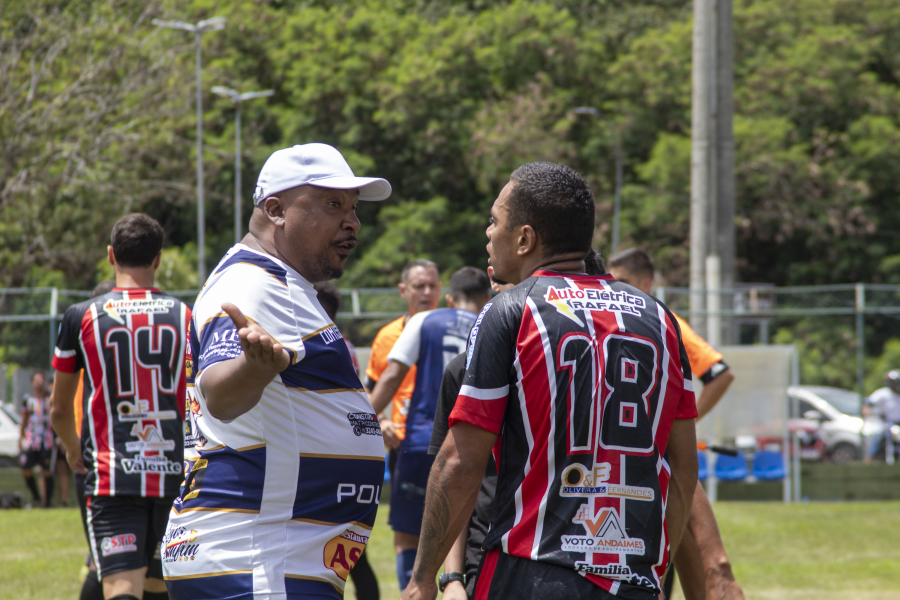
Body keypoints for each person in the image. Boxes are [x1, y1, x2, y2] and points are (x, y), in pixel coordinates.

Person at [402, 162, 698, 600]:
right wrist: (653, 567)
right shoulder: (659, 318)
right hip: (634, 579)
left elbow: (461, 462)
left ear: (524, 239)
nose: (488, 233)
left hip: (531, 573)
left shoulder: (511, 311)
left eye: (494, 221)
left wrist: (425, 577)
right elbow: (684, 466)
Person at [162, 143, 391, 600]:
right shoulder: (253, 283)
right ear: (276, 209)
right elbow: (220, 396)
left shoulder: (282, 283)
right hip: (260, 561)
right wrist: (253, 367)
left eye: (353, 207)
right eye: (332, 204)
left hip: (270, 558)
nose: (352, 221)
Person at [50, 214, 191, 600]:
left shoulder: (81, 316)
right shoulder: (186, 315)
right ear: (158, 259)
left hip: (113, 476)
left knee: (120, 588)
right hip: (173, 472)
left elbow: (59, 409)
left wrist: (73, 447)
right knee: (161, 587)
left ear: (111, 255)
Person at [607, 248, 743, 600]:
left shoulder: (666, 321)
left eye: (622, 281)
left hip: (660, 471)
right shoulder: (611, 319)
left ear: (645, 283)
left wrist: (682, 424)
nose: (614, 288)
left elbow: (719, 374)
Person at [368, 266, 492, 592]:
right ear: (486, 298)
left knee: (409, 534)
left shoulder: (425, 320)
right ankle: (457, 585)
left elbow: (392, 376)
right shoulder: (492, 325)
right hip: (476, 441)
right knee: (461, 526)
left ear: (448, 295)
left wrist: (365, 419)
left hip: (423, 439)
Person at [313, 280, 380, 600]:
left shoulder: (315, 344)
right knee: (354, 554)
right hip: (353, 456)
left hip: (324, 458)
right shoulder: (346, 344)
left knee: (318, 556)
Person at [366, 260, 442, 456]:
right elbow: (369, 389)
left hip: (446, 441)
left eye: (432, 286)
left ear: (440, 289)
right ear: (403, 290)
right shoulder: (387, 336)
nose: (427, 292)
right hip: (402, 442)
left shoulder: (453, 331)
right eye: (419, 286)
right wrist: (380, 420)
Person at [19, 371, 54, 508]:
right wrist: (20, 436)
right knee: (25, 469)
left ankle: (48, 503)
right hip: (31, 440)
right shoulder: (28, 400)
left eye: (41, 379)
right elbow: (24, 419)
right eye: (37, 380)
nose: (39, 382)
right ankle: (36, 498)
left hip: (47, 440)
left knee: (46, 471)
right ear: (32, 383)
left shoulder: (50, 398)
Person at [864, 370, 900, 461]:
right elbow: (868, 404)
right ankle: (869, 460)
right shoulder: (883, 394)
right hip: (887, 424)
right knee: (876, 439)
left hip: (898, 425)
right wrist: (868, 413)